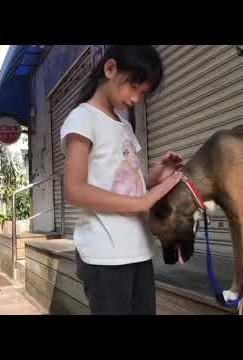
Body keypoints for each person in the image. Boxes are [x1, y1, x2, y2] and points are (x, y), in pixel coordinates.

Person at [60, 45, 183, 315]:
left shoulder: (124, 125)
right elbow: (74, 190)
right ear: (110, 68)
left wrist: (155, 175)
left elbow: (127, 183)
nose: (136, 98)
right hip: (105, 255)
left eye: (143, 93)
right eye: (134, 87)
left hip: (138, 250)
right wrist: (143, 202)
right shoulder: (82, 118)